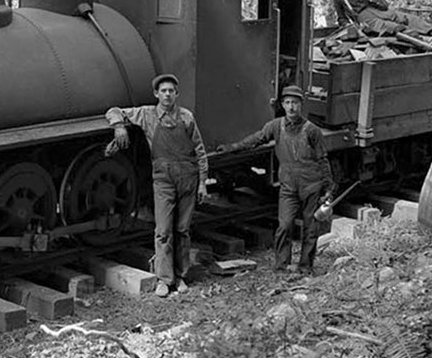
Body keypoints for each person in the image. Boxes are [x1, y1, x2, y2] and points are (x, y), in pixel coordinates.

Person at [105, 74, 210, 298]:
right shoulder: (146, 115)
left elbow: (200, 151)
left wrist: (203, 183)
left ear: (176, 94)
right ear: (156, 94)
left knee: (182, 230)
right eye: (163, 91)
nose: (167, 94)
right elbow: (114, 110)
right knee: (163, 231)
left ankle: (180, 276)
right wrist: (119, 127)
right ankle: (164, 280)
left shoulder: (187, 117)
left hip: (188, 179)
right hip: (163, 179)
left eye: (171, 91)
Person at [217, 86, 333, 275]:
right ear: (282, 105)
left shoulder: (312, 130)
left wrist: (328, 188)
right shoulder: (276, 126)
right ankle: (281, 266)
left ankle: (305, 267)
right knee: (284, 225)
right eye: (287, 103)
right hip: (288, 187)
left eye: (295, 103)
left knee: (310, 229)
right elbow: (257, 139)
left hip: (311, 186)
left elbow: (322, 159)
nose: (291, 107)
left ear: (301, 105)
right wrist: (232, 148)